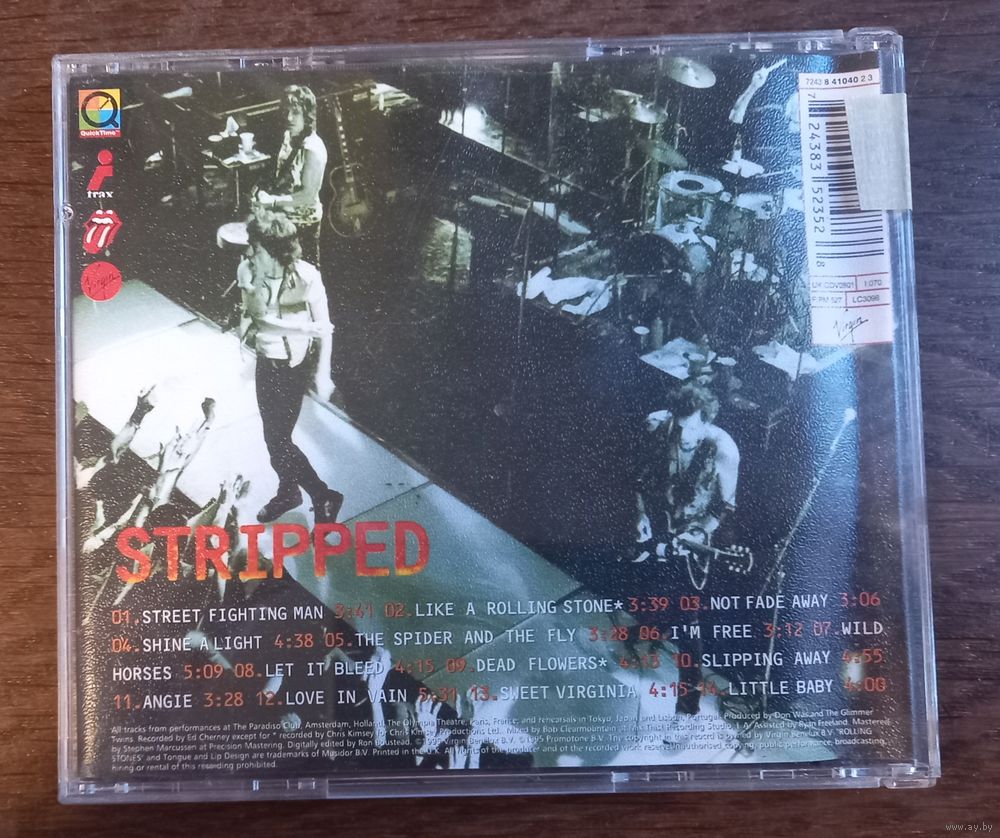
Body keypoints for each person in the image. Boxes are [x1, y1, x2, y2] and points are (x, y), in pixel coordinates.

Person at [632, 382, 740, 742]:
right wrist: (640, 513)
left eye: (692, 427)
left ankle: (687, 711)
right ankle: (651, 630)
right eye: (679, 426)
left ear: (707, 420)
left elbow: (724, 508)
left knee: (688, 625)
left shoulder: (724, 450)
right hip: (661, 528)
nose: (684, 435)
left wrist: (697, 534)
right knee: (653, 587)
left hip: (695, 540)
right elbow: (639, 477)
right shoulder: (657, 426)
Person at [237, 208, 342, 523]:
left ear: (274, 251)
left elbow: (325, 328)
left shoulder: (308, 277)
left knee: (278, 440)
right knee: (274, 438)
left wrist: (323, 373)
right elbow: (261, 320)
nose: (249, 252)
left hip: (294, 368)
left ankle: (321, 495)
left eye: (256, 247)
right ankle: (291, 492)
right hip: (266, 362)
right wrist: (304, 328)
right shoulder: (248, 270)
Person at [255, 85, 328, 267]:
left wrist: (272, 201)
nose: (289, 117)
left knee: (303, 276)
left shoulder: (312, 149)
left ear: (307, 115)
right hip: (284, 218)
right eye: (286, 111)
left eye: (295, 112)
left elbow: (307, 195)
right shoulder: (290, 135)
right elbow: (284, 175)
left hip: (303, 225)